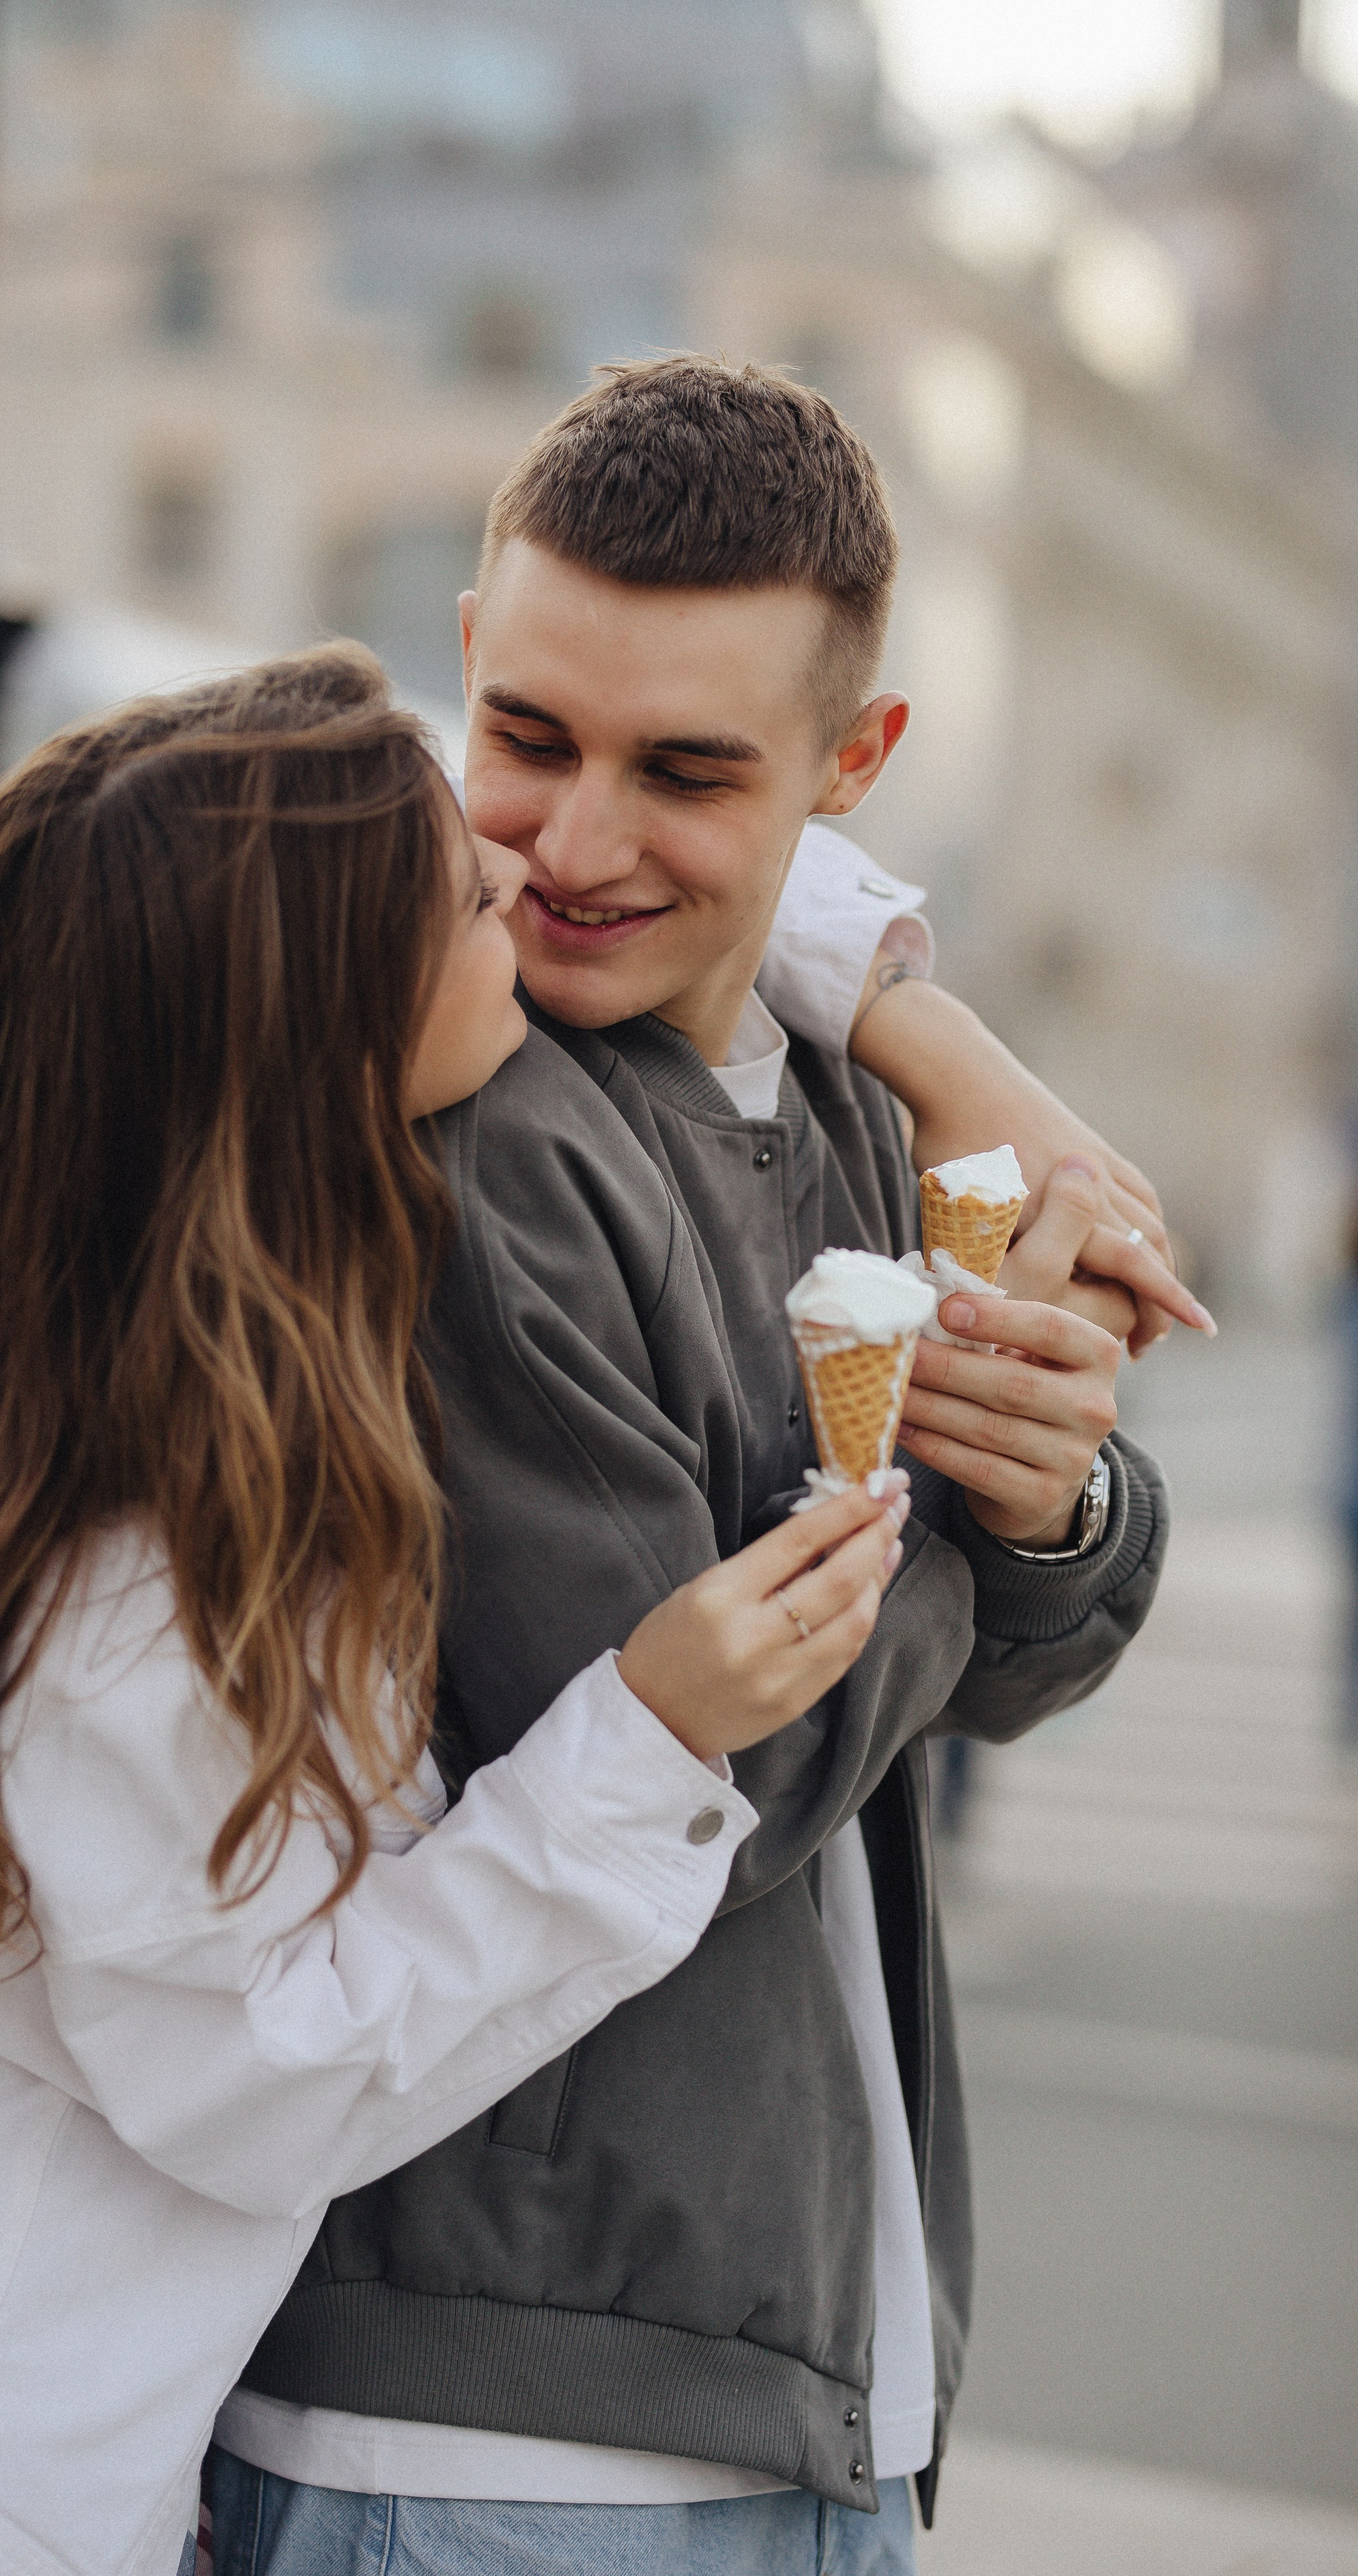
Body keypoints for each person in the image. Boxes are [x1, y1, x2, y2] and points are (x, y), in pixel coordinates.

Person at [0, 647, 921, 2576]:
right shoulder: (129, 1560)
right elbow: (249, 2077)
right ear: (313, 1027)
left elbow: (696, 852)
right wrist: (640, 1745)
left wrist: (938, 1029)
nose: (529, 877)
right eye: (455, 891)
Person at [210, 361, 1182, 2573]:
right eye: (531, 738)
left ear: (854, 771)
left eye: (691, 771)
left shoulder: (845, 1103)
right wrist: (973, 1513)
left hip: (808, 2372)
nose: (574, 844)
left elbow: (1005, 1680)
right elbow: (703, 1782)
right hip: (485, 2430)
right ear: (466, 648)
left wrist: (1068, 1503)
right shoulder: (467, 1131)